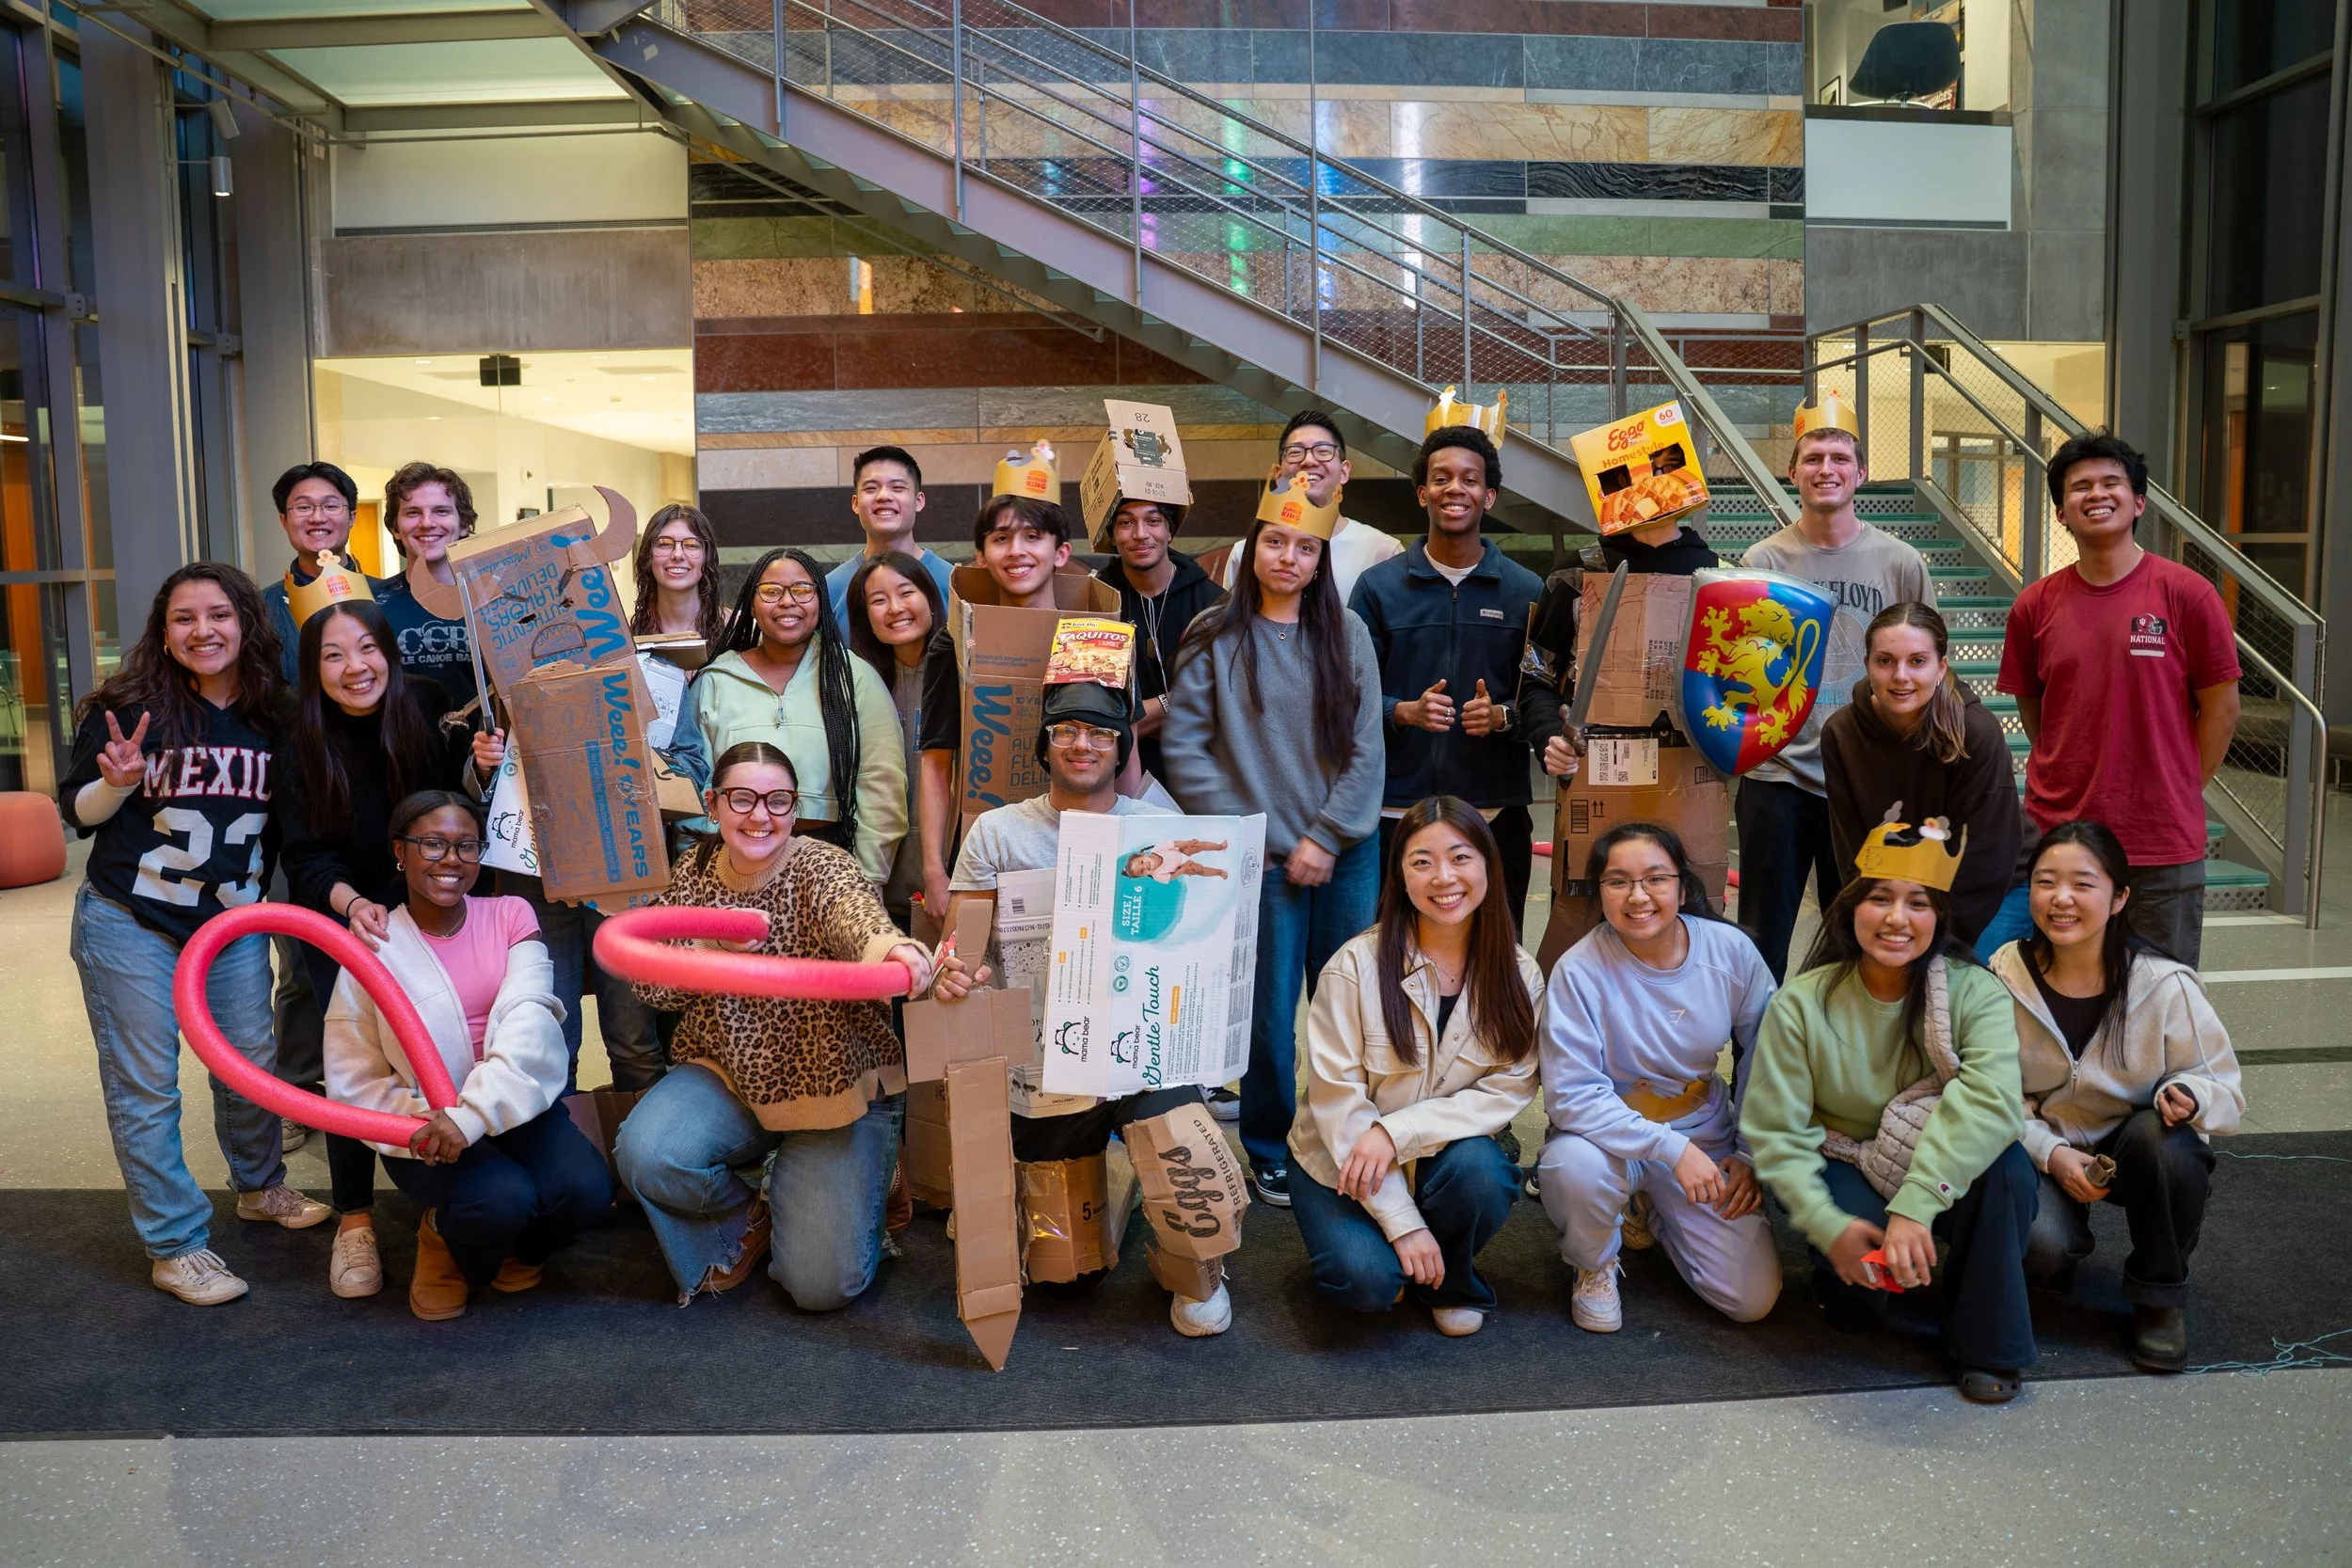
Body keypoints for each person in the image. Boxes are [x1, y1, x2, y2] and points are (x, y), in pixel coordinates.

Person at [60, 563, 328, 1307]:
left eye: (218, 614)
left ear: (246, 622)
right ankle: (176, 1244)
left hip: (233, 922)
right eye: (184, 617)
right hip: (130, 919)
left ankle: (259, 1186)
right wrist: (116, 779)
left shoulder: (279, 713)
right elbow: (79, 812)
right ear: (163, 628)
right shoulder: (129, 705)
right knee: (146, 1087)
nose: (202, 630)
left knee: (253, 1067)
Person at [942, 681, 1234, 1336]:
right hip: (1046, 1068)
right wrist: (958, 971)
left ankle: (1194, 1270)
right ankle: (1104, 1186)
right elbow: (958, 946)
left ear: (1120, 746)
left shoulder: (1161, 827)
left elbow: (1198, 941)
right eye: (1066, 730)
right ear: (1045, 746)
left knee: (1182, 1139)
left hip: (1143, 1056)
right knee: (1066, 1278)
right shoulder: (998, 832)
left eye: (1100, 732)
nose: (1082, 744)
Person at [614, 742, 938, 1307]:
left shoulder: (822, 864)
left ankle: (869, 1171)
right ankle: (748, 1218)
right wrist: (710, 942)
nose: (761, 816)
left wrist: (894, 952)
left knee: (819, 1286)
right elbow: (652, 985)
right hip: (729, 1075)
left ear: (795, 808)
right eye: (743, 799)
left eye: (778, 801)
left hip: (833, 1084)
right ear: (713, 805)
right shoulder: (692, 871)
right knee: (647, 1153)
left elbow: (857, 919)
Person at [1740, 818, 2039, 1402]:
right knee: (1860, 1305)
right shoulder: (1802, 1001)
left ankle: (1986, 1342)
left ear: (1940, 917)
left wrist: (1915, 1206)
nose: (1897, 918)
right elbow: (1775, 1130)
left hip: (1937, 1158)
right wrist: (1829, 1226)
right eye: (1880, 898)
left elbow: (1994, 1104)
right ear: (1851, 908)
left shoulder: (1973, 991)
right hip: (1845, 1159)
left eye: (1918, 902)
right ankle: (1843, 1273)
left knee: (2007, 1170)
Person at [1162, 476, 1385, 1205]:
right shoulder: (1213, 635)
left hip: (1343, 853)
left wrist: (1324, 836)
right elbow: (1188, 747)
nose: (1288, 556)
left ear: (1321, 559)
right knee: (1265, 1010)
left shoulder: (1346, 634)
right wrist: (1254, 838)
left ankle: (1342, 1132)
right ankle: (1269, 1143)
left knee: (1346, 1002)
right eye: (1276, 540)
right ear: (1252, 547)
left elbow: (1366, 748)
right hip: (1255, 860)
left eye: (1306, 546)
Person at [325, 791, 612, 1321]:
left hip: (508, 1107)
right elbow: (353, 1072)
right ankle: (444, 1244)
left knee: (586, 1191)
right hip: (427, 1126)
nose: (451, 859)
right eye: (432, 844)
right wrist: (423, 1123)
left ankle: (517, 1251)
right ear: (400, 852)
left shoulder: (511, 914)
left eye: (466, 846)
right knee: (499, 1199)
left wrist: (472, 1115)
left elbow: (532, 1027)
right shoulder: (373, 943)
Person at [276, 597, 486, 1299]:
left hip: (430, 914)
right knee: (352, 1065)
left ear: (389, 652)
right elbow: (303, 855)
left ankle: (447, 1198)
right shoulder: (299, 734)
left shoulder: (425, 704)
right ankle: (355, 1218)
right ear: (313, 671)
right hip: (343, 919)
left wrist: (483, 760)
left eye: (365, 648)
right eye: (333, 655)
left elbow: (465, 796)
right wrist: (353, 906)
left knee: (443, 1050)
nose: (354, 667)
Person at [1989, 820, 2243, 1371]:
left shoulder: (2163, 984)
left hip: (2132, 1148)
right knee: (2042, 1246)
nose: (2061, 899)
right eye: (2045, 881)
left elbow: (2223, 1086)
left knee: (2169, 1144)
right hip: (2045, 1146)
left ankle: (2158, 1298)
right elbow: (1989, 1094)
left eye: (2083, 884)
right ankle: (2061, 1254)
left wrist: (2189, 1094)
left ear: (2120, 897)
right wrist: (2050, 1154)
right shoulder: (2003, 977)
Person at [1286, 796, 1538, 1337]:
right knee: (1366, 1285)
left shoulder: (1519, 974)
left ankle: (1450, 1275)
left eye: (1460, 857)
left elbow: (1510, 1087)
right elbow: (1337, 1105)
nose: (1443, 877)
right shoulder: (1354, 965)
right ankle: (1406, 1255)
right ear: (1400, 877)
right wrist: (1402, 1226)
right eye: (1421, 861)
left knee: (1485, 1174)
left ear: (1489, 866)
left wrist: (1394, 1132)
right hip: (1341, 1163)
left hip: (1440, 1158)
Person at [1997, 433, 2241, 968]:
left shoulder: (2187, 594)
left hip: (2160, 843)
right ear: (2061, 511)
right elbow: (2037, 713)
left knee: (2159, 1002)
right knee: (2060, 996)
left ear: (2139, 502)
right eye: (2079, 486)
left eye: (2112, 483)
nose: (2096, 494)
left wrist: (2175, 786)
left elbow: (2222, 710)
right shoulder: (2034, 606)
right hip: (2062, 836)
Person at [1536, 822, 1781, 1333]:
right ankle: (1594, 1262)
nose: (1638, 896)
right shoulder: (1578, 970)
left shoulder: (1730, 952)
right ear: (1599, 892)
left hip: (1703, 1130)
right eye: (1618, 881)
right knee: (1572, 1167)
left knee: (1751, 1300)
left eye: (1655, 879)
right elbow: (1570, 1097)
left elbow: (1772, 1054)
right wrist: (1669, 1151)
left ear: (1683, 887)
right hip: (1607, 1138)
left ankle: (1656, 1211)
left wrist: (1749, 1153)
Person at [1736, 395, 1935, 981]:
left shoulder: (1900, 563)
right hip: (1777, 777)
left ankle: (1851, 1067)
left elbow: (1927, 670)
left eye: (1840, 458)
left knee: (1862, 941)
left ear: (1861, 473)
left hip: (1871, 779)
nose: (1828, 468)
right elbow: (1742, 670)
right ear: (1793, 471)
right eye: (1814, 457)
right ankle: (1759, 1069)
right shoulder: (1762, 560)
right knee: (1761, 941)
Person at [1349, 424, 1543, 931]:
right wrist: (1403, 711)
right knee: (1394, 958)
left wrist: (1503, 717)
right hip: (1396, 812)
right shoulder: (1378, 588)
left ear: (1489, 495)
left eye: (1470, 479)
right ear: (1421, 493)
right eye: (1441, 478)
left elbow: (1549, 698)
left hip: (1494, 812)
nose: (1455, 488)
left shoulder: (1527, 591)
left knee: (1497, 960)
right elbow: (1351, 693)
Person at [670, 547, 907, 886]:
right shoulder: (714, 682)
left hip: (830, 867)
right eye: (771, 591)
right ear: (751, 604)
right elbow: (692, 789)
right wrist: (703, 877)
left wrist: (866, 880)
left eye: (802, 590)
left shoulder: (853, 678)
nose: (787, 602)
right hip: (732, 867)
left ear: (820, 601)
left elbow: (881, 784)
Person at [1822, 602, 2035, 958]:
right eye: (1885, 660)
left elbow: (1987, 860)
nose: (1900, 676)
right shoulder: (1840, 734)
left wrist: (1932, 944)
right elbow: (1854, 850)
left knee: (1954, 981)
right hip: (1900, 886)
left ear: (1941, 667)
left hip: (1999, 884)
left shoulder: (1975, 732)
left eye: (1917, 661)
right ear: (1867, 666)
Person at [915, 491, 1080, 915]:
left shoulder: (1095, 637)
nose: (1017, 551)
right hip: (978, 855)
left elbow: (1123, 752)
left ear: (1060, 553)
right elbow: (936, 760)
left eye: (1032, 536)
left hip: (1075, 847)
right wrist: (934, 870)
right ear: (982, 556)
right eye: (1002, 538)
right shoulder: (953, 642)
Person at [1517, 506, 1720, 778]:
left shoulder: (1719, 578)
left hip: (1692, 774)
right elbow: (1537, 678)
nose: (1648, 480)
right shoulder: (1576, 574)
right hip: (1592, 769)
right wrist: (1550, 737)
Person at [1089, 492, 1222, 784]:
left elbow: (1223, 706)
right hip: (1118, 777)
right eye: (1126, 522)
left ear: (1169, 530)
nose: (1140, 534)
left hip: (1203, 774)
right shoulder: (1096, 602)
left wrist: (1141, 715)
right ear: (1112, 534)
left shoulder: (1212, 603)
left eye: (1153, 521)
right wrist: (1174, 704)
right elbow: (1099, 716)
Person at [846, 550, 946, 930]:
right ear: (864, 617)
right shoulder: (856, 683)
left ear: (930, 599)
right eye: (878, 600)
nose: (895, 608)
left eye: (906, 593)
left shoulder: (960, 672)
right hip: (879, 881)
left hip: (949, 876)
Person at [1216, 411, 1402, 604]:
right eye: (1295, 452)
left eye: (1323, 451)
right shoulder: (1245, 552)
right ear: (1278, 474)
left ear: (1344, 472)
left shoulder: (1384, 552)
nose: (1309, 461)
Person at [372, 462, 482, 715]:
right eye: (412, 513)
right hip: (397, 751)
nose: (427, 523)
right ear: (395, 528)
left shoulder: (491, 600)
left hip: (487, 752)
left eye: (441, 511)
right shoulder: (372, 605)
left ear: (464, 524)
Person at [824, 446, 954, 633]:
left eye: (897, 488)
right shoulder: (830, 589)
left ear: (918, 501)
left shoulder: (953, 584)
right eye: (871, 488)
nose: (884, 496)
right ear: (855, 504)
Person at [260, 461, 370, 682]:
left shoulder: (385, 597)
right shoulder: (259, 609)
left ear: (352, 517)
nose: (317, 518)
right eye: (303, 507)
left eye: (331, 506)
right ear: (284, 520)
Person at [630, 501, 730, 650]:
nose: (678, 555)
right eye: (664, 544)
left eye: (691, 545)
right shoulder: (625, 636)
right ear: (648, 555)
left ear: (707, 556)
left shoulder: (736, 627)